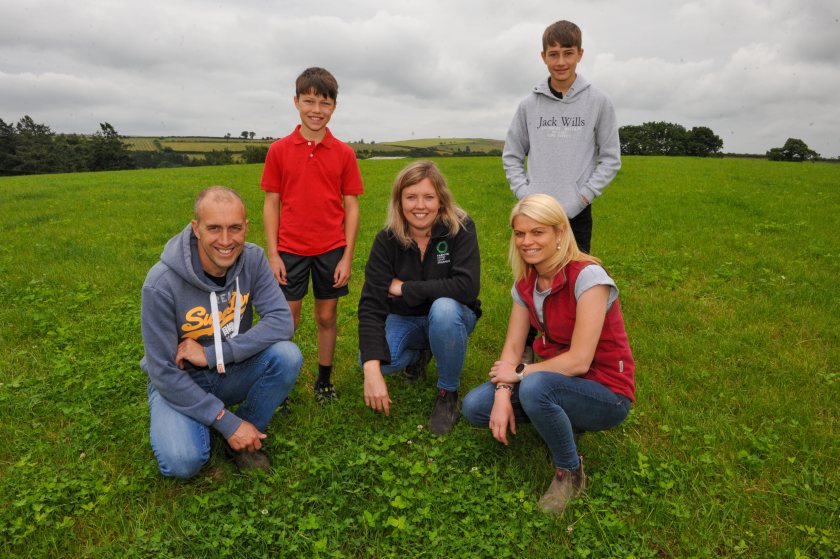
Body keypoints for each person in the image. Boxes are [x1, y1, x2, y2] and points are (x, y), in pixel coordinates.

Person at [461, 194, 635, 515]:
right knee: (476, 407)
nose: (527, 241)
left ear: (559, 233)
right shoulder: (526, 282)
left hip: (607, 391)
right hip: (560, 380)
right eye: (520, 233)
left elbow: (580, 360)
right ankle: (563, 420)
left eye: (537, 232)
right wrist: (502, 393)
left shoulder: (588, 277)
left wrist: (521, 374)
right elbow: (514, 346)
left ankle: (570, 472)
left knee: (535, 386)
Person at [141, 186, 302, 478]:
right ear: (196, 228)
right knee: (183, 461)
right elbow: (163, 371)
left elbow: (281, 321)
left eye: (235, 228)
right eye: (214, 228)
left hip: (231, 367)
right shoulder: (160, 284)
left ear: (246, 227)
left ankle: (245, 436)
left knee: (287, 356)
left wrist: (212, 354)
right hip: (180, 379)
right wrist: (224, 421)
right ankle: (214, 421)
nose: (226, 240)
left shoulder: (253, 260)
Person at [502, 19, 621, 364]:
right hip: (535, 213)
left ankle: (570, 347)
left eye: (568, 53)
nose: (561, 61)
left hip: (575, 212)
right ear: (543, 57)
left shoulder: (599, 102)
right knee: (531, 276)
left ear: (580, 54)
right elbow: (511, 155)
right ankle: (525, 343)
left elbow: (610, 160)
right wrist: (526, 197)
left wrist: (580, 198)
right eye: (553, 54)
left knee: (573, 279)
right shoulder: (528, 105)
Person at [261, 67, 364, 404]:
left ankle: (323, 381)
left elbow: (351, 207)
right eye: (309, 101)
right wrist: (273, 253)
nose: (316, 109)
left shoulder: (344, 154)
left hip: (330, 249)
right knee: (286, 319)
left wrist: (347, 256)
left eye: (324, 102)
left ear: (334, 106)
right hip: (289, 249)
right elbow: (271, 203)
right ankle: (282, 381)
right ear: (296, 102)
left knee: (326, 316)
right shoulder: (278, 150)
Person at [358, 161, 481, 435]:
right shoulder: (386, 240)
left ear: (441, 200)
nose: (420, 206)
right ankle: (420, 354)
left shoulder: (460, 228)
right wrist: (371, 371)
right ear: (399, 201)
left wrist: (405, 289)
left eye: (428, 197)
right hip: (406, 318)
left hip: (455, 317)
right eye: (411, 197)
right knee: (372, 360)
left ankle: (447, 393)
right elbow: (371, 304)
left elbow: (467, 287)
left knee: (445, 310)